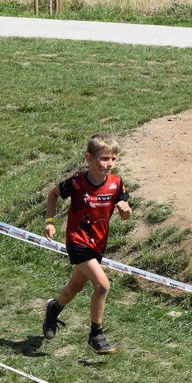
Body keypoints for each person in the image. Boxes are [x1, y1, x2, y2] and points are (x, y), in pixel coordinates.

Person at [42, 133, 132, 354]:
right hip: (77, 241)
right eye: (103, 158)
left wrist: (126, 211)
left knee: (75, 286)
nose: (108, 164)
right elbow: (53, 195)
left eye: (113, 159)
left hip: (98, 244)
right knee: (102, 285)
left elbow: (126, 214)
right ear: (89, 158)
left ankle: (54, 309)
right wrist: (50, 221)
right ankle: (96, 335)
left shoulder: (117, 184)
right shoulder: (76, 183)